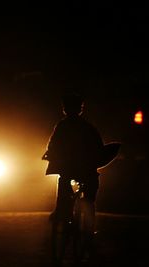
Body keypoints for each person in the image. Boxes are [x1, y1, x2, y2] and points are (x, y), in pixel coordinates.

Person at [42, 92, 103, 260]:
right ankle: (89, 233)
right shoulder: (88, 127)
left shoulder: (62, 126)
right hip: (86, 170)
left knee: (64, 186)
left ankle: (61, 212)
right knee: (89, 197)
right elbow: (99, 148)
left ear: (65, 109)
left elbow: (52, 146)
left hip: (69, 169)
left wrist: (49, 155)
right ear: (80, 109)